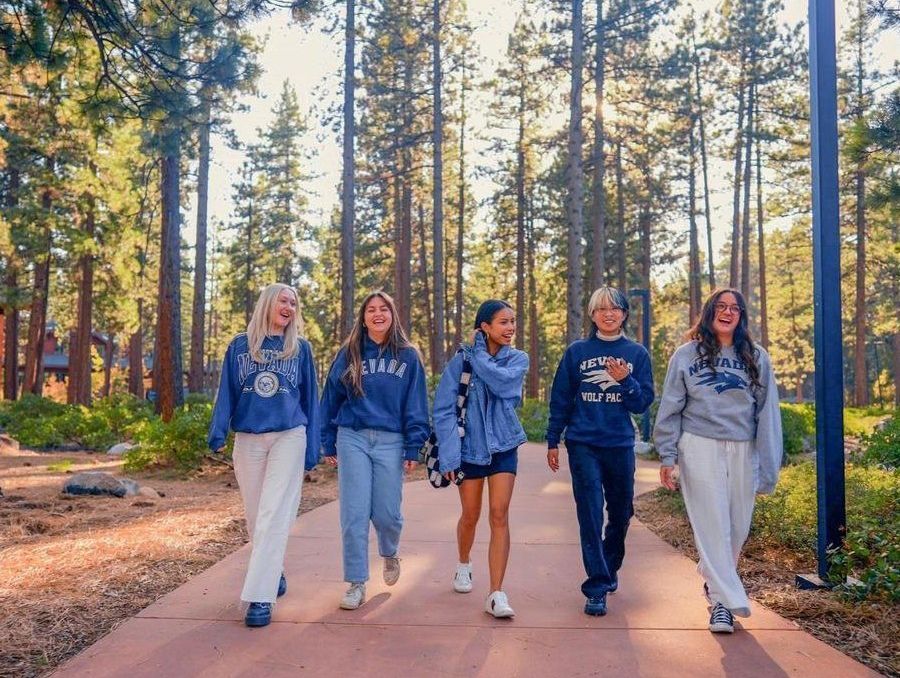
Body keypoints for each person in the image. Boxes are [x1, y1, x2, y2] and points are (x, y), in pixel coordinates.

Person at [654, 288, 782, 634]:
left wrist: (769, 468)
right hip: (699, 445)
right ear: (709, 311)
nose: (728, 312)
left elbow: (767, 414)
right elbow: (670, 407)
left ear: (741, 317)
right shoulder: (685, 355)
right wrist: (667, 455)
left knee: (737, 527)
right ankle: (723, 603)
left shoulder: (757, 356)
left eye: (735, 308)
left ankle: (715, 583)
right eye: (721, 306)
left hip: (743, 447)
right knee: (713, 524)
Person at [208, 283, 320, 628]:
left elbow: (310, 399)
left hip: (289, 435)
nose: (289, 307)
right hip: (249, 438)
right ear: (268, 304)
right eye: (284, 300)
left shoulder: (300, 349)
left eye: (294, 303)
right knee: (257, 515)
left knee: (273, 511)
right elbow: (226, 389)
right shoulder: (240, 346)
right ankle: (274, 571)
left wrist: (314, 445)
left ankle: (260, 596)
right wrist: (217, 430)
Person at [546, 286, 654, 617]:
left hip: (619, 443)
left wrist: (626, 381)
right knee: (590, 512)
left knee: (621, 513)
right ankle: (596, 586)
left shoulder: (636, 354)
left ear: (624, 314)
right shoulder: (577, 352)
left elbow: (641, 403)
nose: (608, 314)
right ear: (592, 315)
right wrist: (553, 439)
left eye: (615, 309)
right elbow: (561, 397)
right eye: (601, 309)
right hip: (583, 443)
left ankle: (609, 567)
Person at [320, 290, 429, 611]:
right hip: (352, 437)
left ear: (393, 315)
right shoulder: (349, 353)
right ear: (363, 317)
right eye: (371, 309)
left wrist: (413, 445)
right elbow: (330, 398)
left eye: (384, 309)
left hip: (391, 441)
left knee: (387, 514)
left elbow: (416, 404)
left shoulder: (408, 356)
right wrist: (327, 440)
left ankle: (389, 551)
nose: (377, 314)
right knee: (353, 514)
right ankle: (356, 582)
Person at [433, 300, 529, 618]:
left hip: (504, 445)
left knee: (499, 514)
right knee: (470, 515)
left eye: (513, 321)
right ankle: (464, 563)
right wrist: (448, 456)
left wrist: (476, 355)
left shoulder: (517, 359)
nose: (511, 327)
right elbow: (444, 410)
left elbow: (502, 384)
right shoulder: (459, 362)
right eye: (503, 322)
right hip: (469, 449)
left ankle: (496, 593)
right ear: (485, 327)